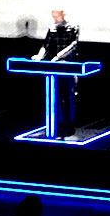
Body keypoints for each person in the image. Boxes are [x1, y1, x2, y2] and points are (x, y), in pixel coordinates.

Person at [32, 9, 80, 137]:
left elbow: (73, 45)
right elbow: (46, 45)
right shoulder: (52, 28)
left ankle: (70, 125)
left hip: (69, 65)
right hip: (55, 66)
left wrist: (59, 56)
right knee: (56, 96)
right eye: (53, 16)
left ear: (63, 15)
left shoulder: (73, 27)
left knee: (69, 96)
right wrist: (40, 56)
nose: (55, 18)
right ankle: (58, 125)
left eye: (57, 16)